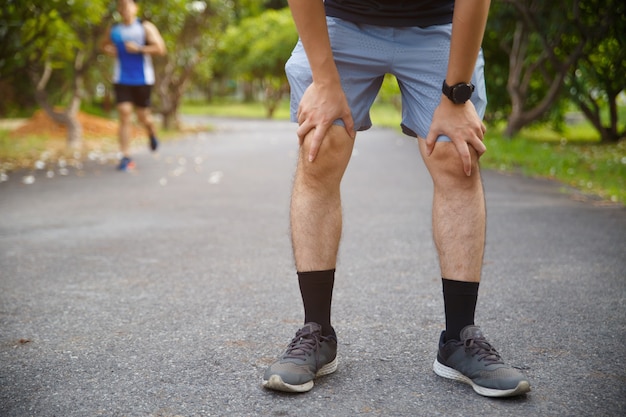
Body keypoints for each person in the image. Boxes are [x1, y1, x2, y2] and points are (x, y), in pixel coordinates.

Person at [262, 0, 531, 398]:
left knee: (456, 155)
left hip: (440, 22)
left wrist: (457, 96)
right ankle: (316, 331)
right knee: (321, 146)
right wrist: (324, 81)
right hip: (339, 20)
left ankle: (459, 337)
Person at [100, 0, 166, 171]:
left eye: (128, 6)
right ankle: (125, 156)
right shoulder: (114, 30)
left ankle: (151, 132)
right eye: (122, 6)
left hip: (142, 79)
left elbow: (160, 48)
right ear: (119, 10)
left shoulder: (145, 27)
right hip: (121, 78)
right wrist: (108, 50)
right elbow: (103, 45)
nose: (125, 9)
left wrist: (139, 49)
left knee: (144, 116)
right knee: (124, 113)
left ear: (135, 8)